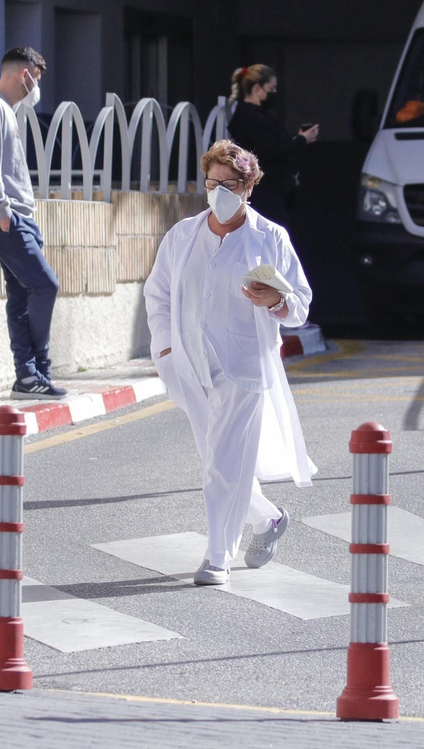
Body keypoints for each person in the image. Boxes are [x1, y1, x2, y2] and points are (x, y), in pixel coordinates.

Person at [144, 139, 317, 586]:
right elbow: (158, 293)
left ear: (248, 187)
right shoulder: (183, 235)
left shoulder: (269, 237)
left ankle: (218, 555)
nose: (219, 190)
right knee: (217, 460)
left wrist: (276, 299)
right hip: (188, 365)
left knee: (222, 464)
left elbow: (300, 304)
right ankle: (269, 518)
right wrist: (164, 346)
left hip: (242, 367)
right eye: (212, 182)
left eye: (230, 183)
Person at [0, 47, 66, 400]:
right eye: (36, 79)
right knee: (46, 285)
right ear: (24, 73)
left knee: (21, 296)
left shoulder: (6, 111)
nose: (37, 88)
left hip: (16, 215)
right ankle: (39, 367)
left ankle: (27, 378)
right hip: (4, 217)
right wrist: (2, 210)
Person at [225, 65, 319, 229]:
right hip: (265, 193)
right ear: (257, 89)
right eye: (271, 89)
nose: (274, 94)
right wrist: (300, 140)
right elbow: (271, 151)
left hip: (266, 191)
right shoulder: (252, 119)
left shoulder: (253, 116)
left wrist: (297, 139)